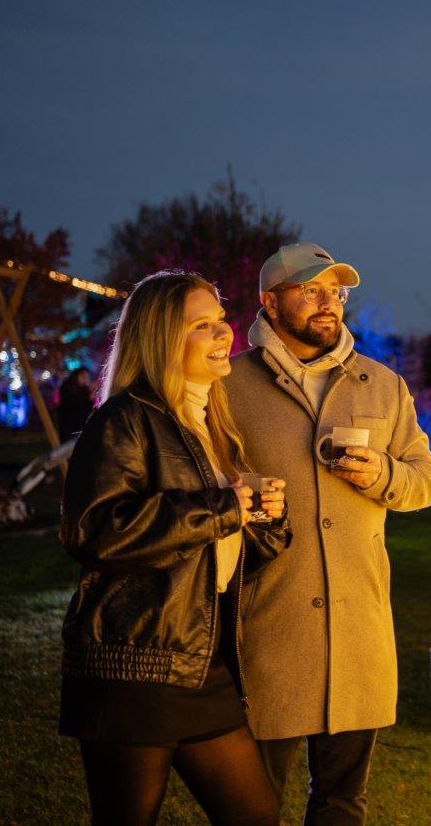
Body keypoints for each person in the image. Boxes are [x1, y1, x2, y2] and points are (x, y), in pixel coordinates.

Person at [57, 270, 291, 824]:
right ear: (163, 337)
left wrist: (260, 519)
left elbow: (209, 548)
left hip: (197, 664)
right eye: (203, 325)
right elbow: (95, 530)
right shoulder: (125, 418)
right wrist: (226, 507)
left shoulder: (207, 421)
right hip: (135, 660)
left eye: (221, 320)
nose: (224, 334)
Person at [225, 242, 431, 823]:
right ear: (271, 301)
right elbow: (199, 478)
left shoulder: (383, 385)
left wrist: (385, 475)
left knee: (343, 803)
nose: (329, 303)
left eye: (336, 291)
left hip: (359, 634)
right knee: (253, 805)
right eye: (311, 289)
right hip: (270, 627)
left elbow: (426, 481)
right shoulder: (227, 385)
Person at [57, 366, 96, 441]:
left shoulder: (84, 389)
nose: (85, 379)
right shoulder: (67, 386)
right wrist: (88, 398)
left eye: (86, 377)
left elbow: (88, 406)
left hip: (81, 424)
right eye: (83, 376)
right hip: (68, 423)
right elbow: (73, 403)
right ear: (77, 375)